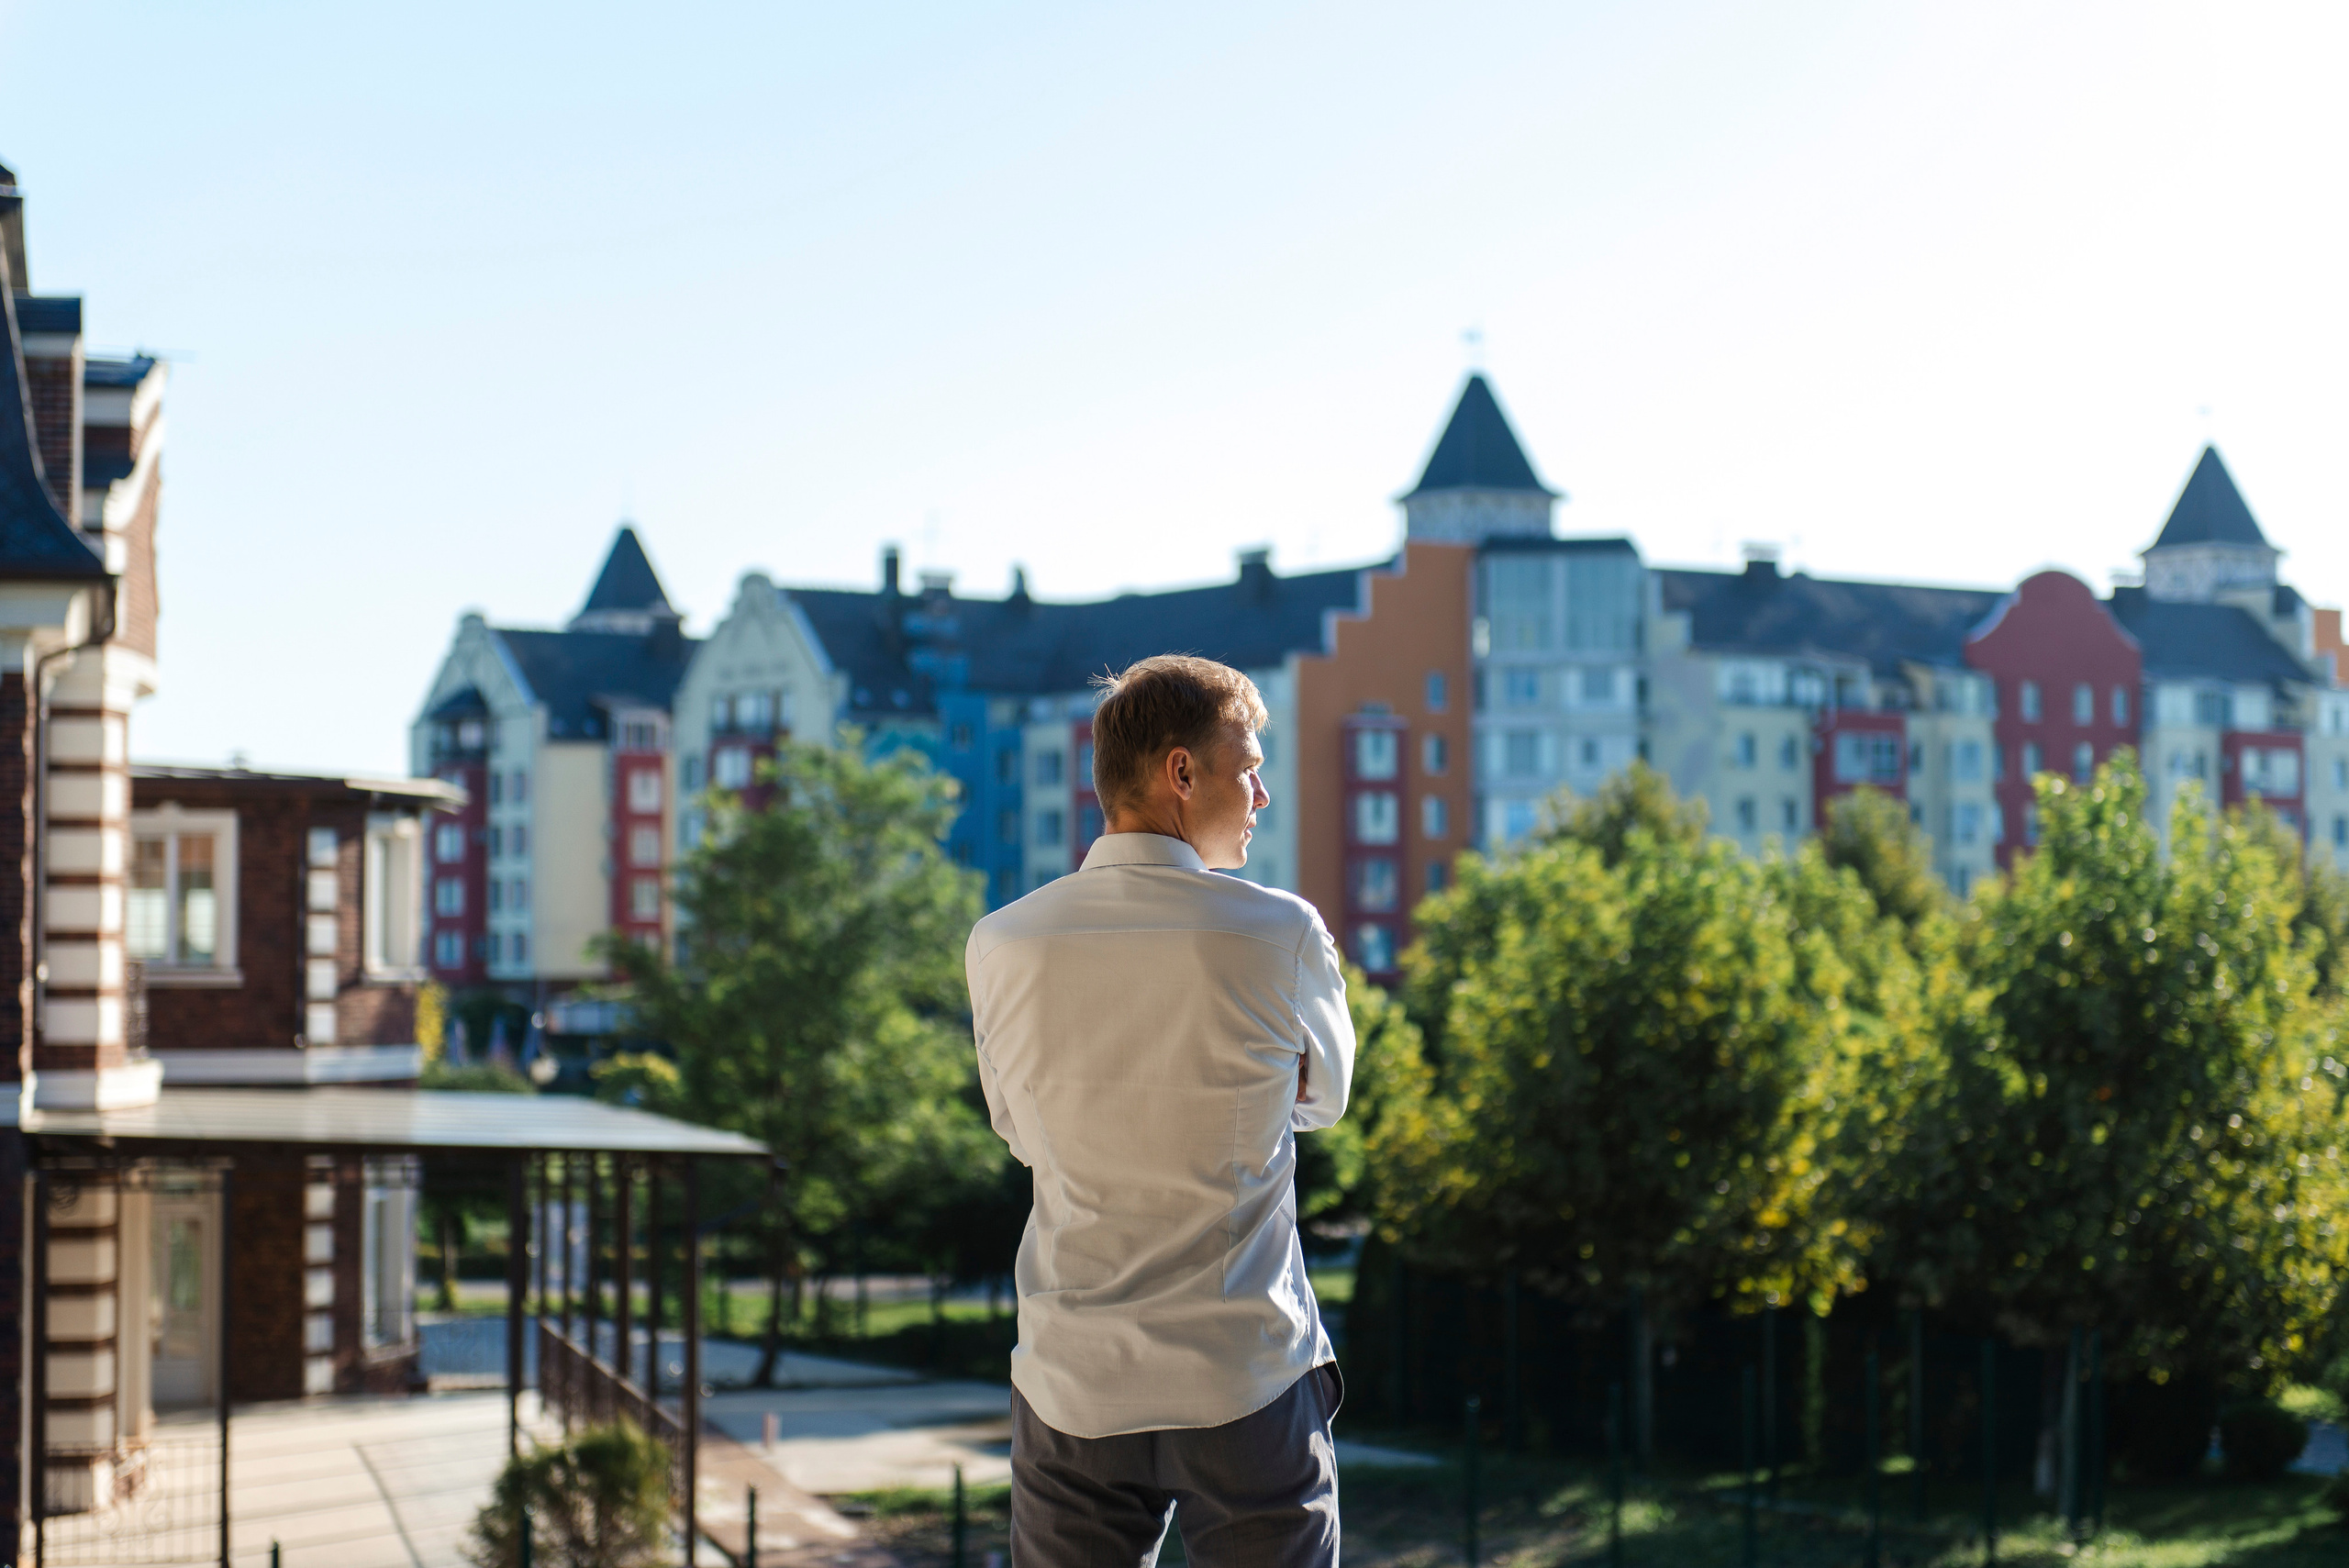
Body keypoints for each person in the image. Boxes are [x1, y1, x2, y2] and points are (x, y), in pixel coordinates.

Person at [965, 654, 1356, 1565]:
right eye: (1247, 766)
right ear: (1181, 772)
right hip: (1243, 1376)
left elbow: (1022, 1130)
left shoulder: (1002, 941)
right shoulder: (1278, 931)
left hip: (1073, 1384)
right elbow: (1321, 1100)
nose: (1260, 794)